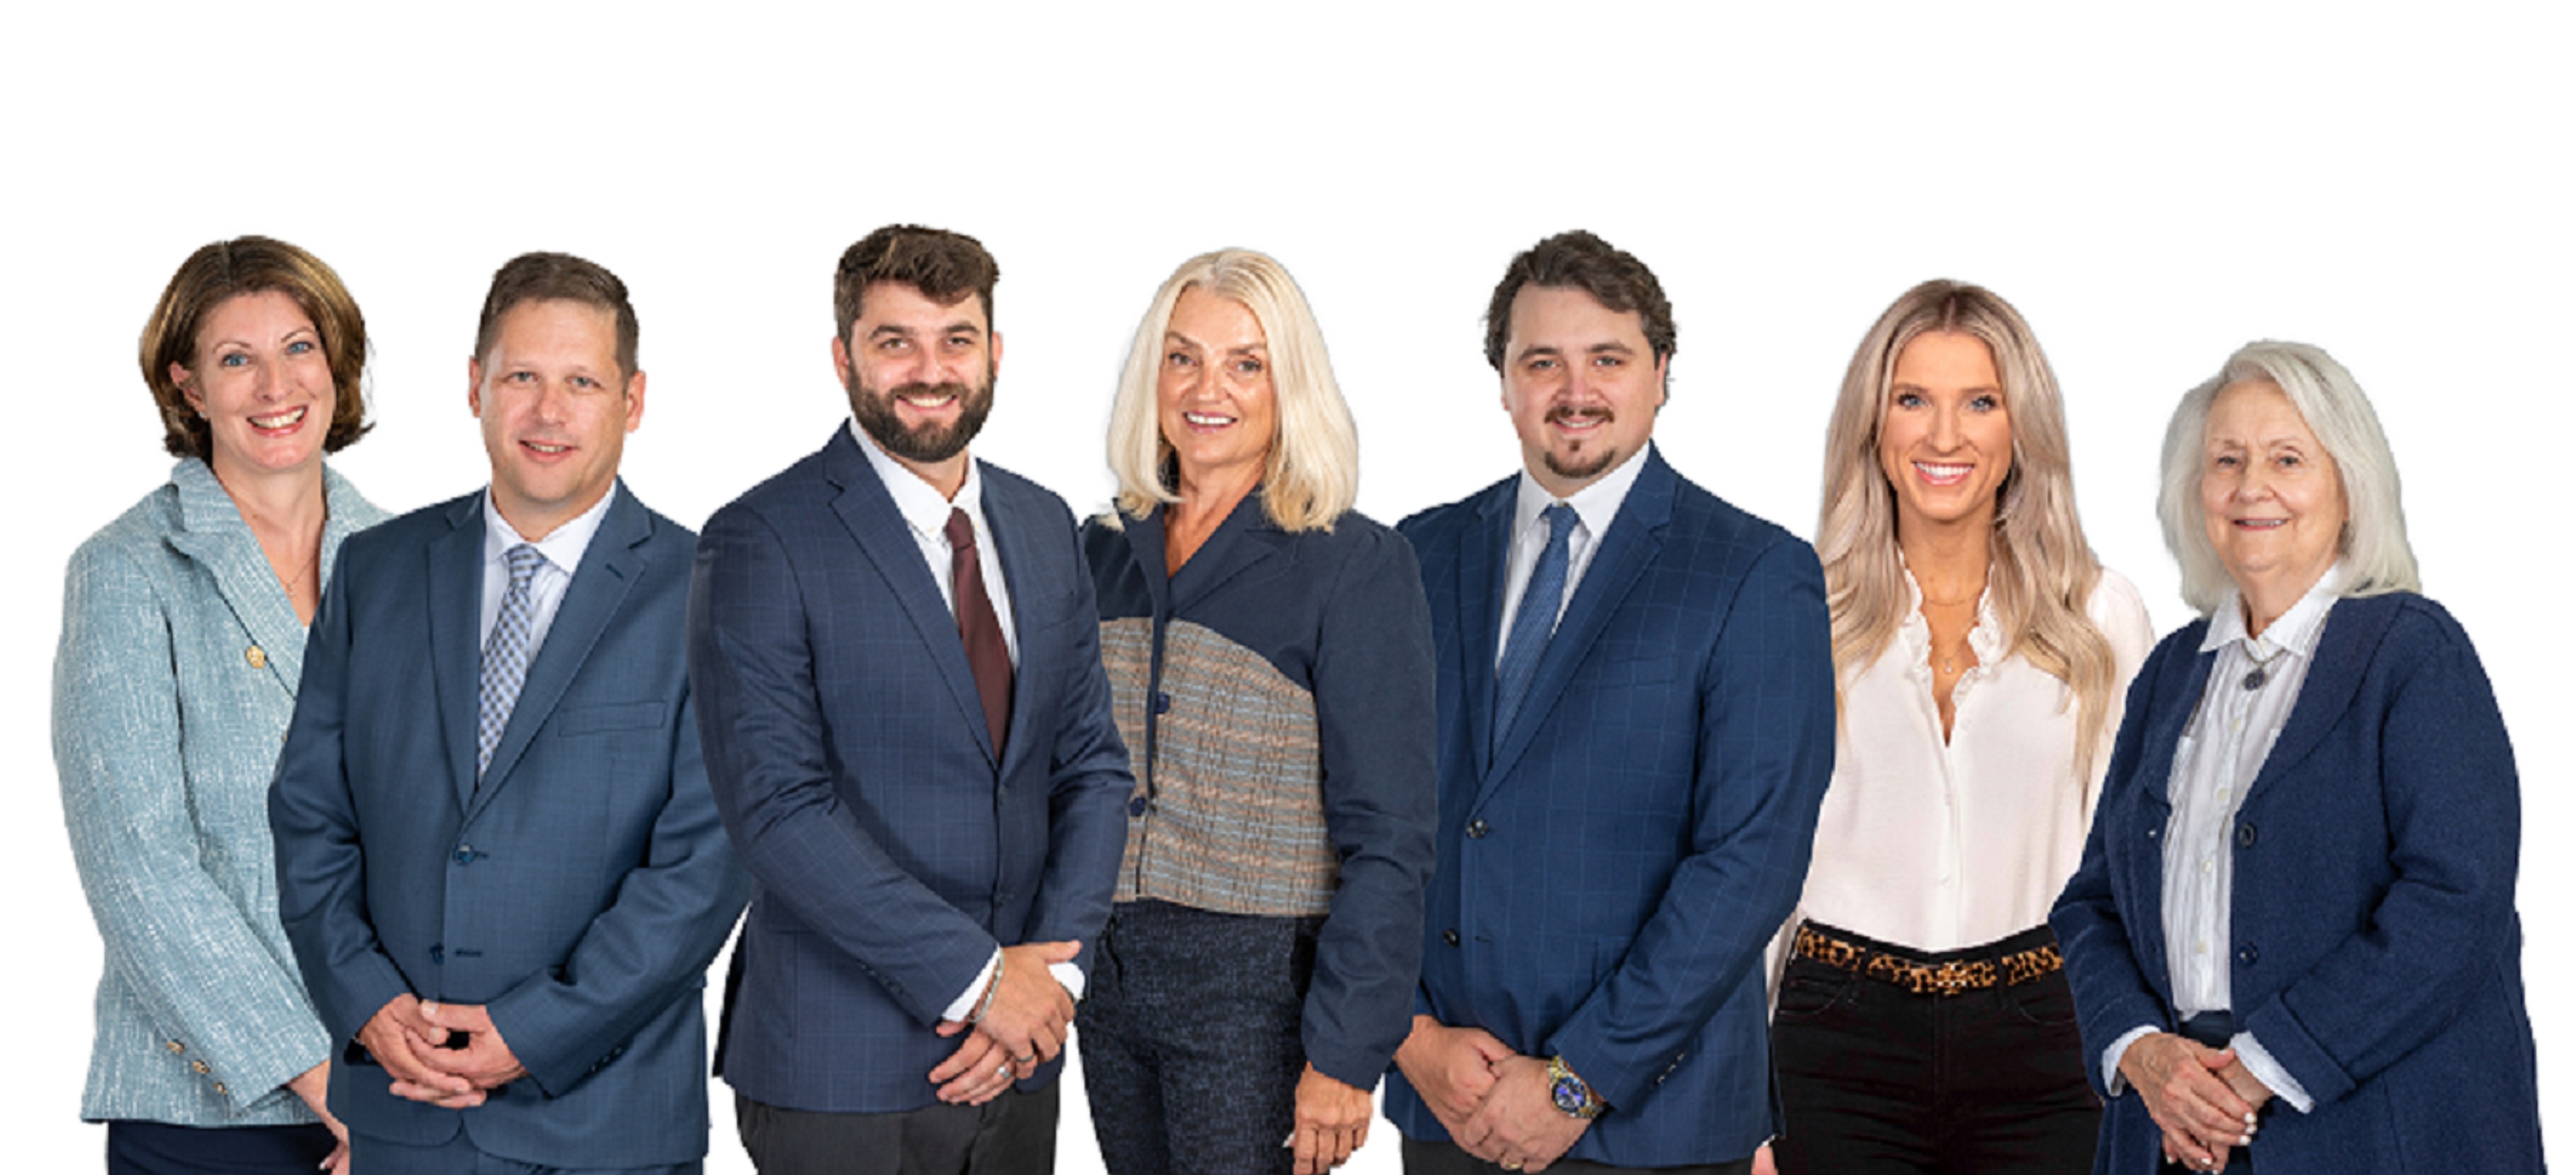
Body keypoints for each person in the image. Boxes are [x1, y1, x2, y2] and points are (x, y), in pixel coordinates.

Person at [268, 251, 751, 1174]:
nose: (548, 411)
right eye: (521, 376)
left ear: (633, 400)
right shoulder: (374, 572)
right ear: (475, 386)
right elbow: (309, 816)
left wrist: (534, 1030)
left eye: (582, 381)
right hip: (403, 1112)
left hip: (603, 1124)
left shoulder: (715, 595)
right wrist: (368, 1002)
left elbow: (704, 867)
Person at [1387, 230, 1836, 1174]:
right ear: (1504, 381)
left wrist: (1574, 1081)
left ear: (1663, 373)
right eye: (1541, 360)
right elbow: (1359, 821)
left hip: (1651, 1123)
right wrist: (1410, 1036)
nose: (1574, 389)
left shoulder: (1754, 572)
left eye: (1609, 359)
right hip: (1450, 1107)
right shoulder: (1415, 558)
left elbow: (1750, 863)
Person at [688, 223, 1132, 1175]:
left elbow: (1091, 764)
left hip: (1018, 1056)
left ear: (995, 353)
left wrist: (1047, 978)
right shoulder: (761, 538)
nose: (930, 371)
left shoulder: (1046, 523)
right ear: (844, 357)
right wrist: (980, 982)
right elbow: (776, 810)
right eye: (896, 342)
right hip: (841, 1068)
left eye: (957, 340)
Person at [2051, 341, 2545, 1174]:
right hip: (2176, 1135)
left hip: (2378, 1134)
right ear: (2194, 491)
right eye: (2227, 460)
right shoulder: (2173, 672)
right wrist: (2143, 1052)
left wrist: (2262, 1064)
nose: (2252, 487)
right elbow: (2093, 902)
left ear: (2349, 488)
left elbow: (2457, 898)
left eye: (2288, 459)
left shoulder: (2414, 654)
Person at [1764, 280, 2152, 1174]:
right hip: (1833, 1036)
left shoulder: (2102, 615)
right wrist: (1741, 1109)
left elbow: (2136, 873)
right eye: (1913, 401)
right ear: (1873, 423)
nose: (1945, 437)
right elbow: (1754, 875)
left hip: (2050, 1032)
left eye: (1980, 402)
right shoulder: (1793, 611)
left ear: (2023, 430)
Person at [1076, 249, 1436, 1175]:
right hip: (1106, 982)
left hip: (1258, 989)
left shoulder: (1351, 566)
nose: (1209, 388)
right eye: (1183, 357)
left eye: (1247, 363)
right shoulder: (1100, 551)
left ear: (1291, 385)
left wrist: (1347, 1053)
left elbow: (1390, 835)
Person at [57, 235, 385, 1174]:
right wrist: (331, 1082)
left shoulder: (418, 560)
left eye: (299, 348)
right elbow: (138, 868)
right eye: (236, 359)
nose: (274, 385)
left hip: (402, 1091)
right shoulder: (126, 571)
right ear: (189, 389)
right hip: (207, 1116)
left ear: (337, 365)